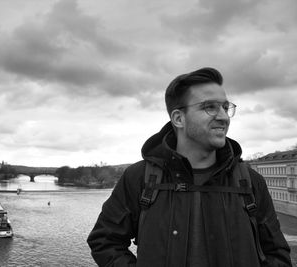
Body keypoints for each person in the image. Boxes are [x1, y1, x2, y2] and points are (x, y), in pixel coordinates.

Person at [87, 67, 291, 267]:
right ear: (178, 118)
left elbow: (277, 254)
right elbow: (105, 242)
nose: (223, 117)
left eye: (225, 107)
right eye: (210, 107)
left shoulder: (250, 181)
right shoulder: (140, 178)